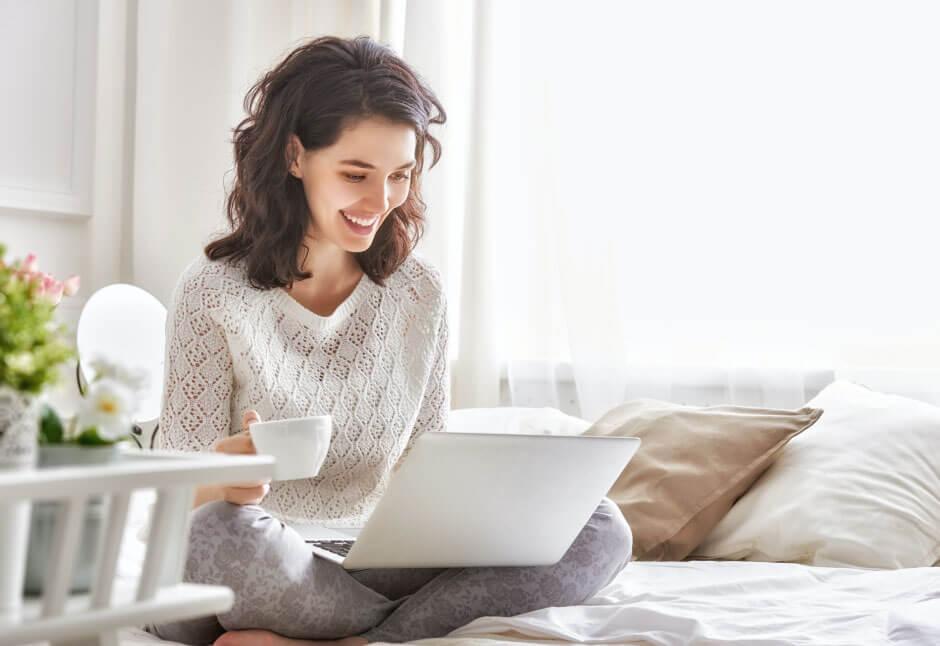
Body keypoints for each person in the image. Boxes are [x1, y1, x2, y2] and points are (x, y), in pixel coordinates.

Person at [147, 35, 633, 646]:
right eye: (356, 174)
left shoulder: (419, 295)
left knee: (601, 526)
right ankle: (378, 630)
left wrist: (477, 509)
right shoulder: (213, 290)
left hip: (366, 559)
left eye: (400, 176)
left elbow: (423, 469)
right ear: (295, 156)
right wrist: (228, 477)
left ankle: (362, 639)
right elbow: (179, 499)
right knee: (218, 535)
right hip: (238, 555)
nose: (380, 202)